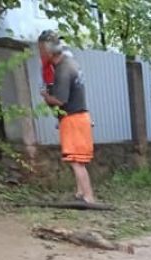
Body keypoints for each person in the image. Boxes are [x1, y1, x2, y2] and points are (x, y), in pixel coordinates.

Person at [37, 30, 95, 204]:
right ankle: (80, 194)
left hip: (74, 119)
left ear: (47, 51)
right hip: (79, 117)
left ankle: (88, 197)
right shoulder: (71, 62)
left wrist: (46, 97)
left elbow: (60, 100)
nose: (39, 53)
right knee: (75, 159)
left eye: (40, 49)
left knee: (77, 162)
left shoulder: (63, 70)